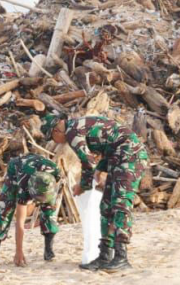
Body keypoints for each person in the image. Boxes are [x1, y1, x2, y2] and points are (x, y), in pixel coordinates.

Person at [42, 113, 149, 271]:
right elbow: (110, 143)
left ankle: (121, 257)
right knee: (106, 207)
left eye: (52, 138)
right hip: (118, 157)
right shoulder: (77, 126)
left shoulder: (72, 132)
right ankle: (105, 256)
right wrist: (100, 169)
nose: (55, 142)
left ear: (56, 131)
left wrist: (83, 185)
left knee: (121, 204)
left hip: (130, 156)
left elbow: (87, 161)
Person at [0, 154, 62, 267]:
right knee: (5, 210)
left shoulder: (55, 172)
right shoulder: (24, 183)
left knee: (49, 210)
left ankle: (49, 251)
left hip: (40, 177)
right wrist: (19, 251)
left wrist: (44, 198)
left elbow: (54, 187)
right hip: (17, 169)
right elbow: (20, 221)